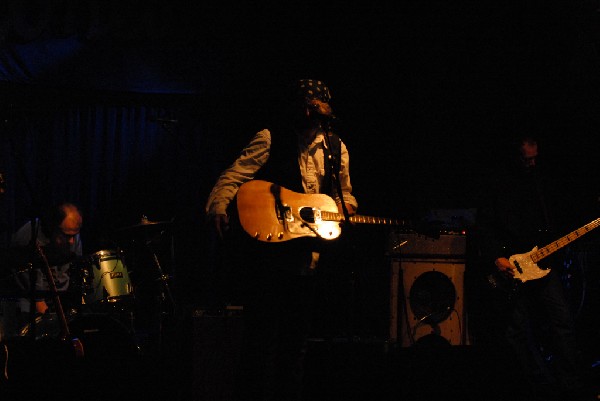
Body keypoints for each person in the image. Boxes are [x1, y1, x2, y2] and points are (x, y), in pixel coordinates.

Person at [205, 79, 358, 401]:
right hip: (270, 256)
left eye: (314, 106)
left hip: (309, 260)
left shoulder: (335, 147)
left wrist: (346, 209)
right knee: (259, 342)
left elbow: (345, 193)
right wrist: (220, 206)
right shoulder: (271, 137)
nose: (307, 111)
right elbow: (235, 175)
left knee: (295, 346)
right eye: (304, 104)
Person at [476, 135, 596, 401]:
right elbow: (484, 225)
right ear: (515, 156)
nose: (531, 163)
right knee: (516, 331)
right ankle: (530, 386)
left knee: (562, 321)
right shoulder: (498, 182)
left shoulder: (542, 181)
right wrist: (497, 258)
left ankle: (570, 385)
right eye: (525, 159)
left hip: (542, 264)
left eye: (534, 158)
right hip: (511, 267)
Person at [9, 201, 83, 334]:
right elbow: (38, 300)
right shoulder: (28, 238)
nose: (72, 241)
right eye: (67, 236)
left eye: (75, 235)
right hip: (30, 303)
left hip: (59, 300)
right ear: (53, 227)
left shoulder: (71, 234)